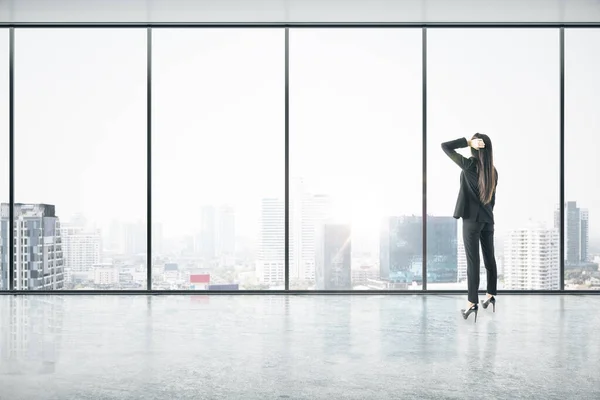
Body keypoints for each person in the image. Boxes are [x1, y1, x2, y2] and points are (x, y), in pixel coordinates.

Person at [441, 133, 498, 323]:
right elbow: (493, 200)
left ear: (475, 147)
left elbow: (445, 146)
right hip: (488, 219)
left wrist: (466, 142)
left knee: (473, 263)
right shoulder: (493, 171)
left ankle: (471, 304)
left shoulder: (469, 165)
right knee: (490, 259)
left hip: (471, 221)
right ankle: (490, 296)